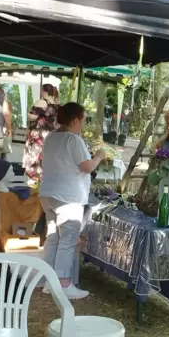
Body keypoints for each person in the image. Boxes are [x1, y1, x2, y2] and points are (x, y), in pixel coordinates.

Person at [39, 103, 106, 300]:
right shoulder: (73, 140)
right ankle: (63, 284)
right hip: (68, 197)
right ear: (75, 120)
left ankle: (48, 282)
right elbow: (87, 167)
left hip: (48, 194)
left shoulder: (51, 136)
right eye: (83, 120)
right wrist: (100, 156)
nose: (83, 125)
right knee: (67, 241)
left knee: (53, 238)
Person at [24, 84, 59, 183]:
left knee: (35, 158)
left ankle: (34, 181)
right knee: (45, 158)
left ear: (44, 91)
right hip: (51, 135)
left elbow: (32, 116)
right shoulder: (57, 104)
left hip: (39, 135)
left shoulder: (42, 102)